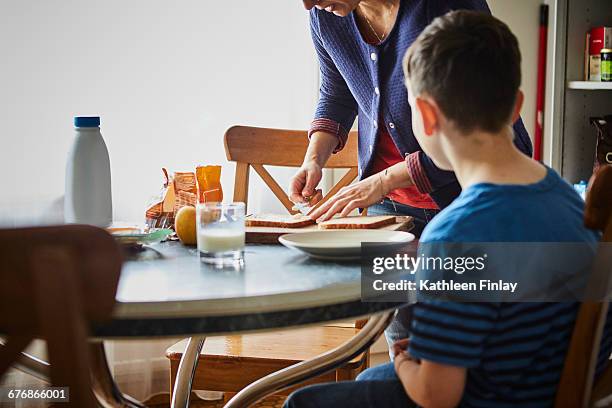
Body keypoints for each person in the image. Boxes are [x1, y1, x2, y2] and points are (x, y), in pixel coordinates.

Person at [284, 10, 612, 407]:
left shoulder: (454, 237)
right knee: (375, 374)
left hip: (482, 398)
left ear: (424, 116)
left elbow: (438, 395)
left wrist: (406, 362)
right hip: (540, 387)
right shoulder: (568, 199)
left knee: (303, 401)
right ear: (515, 106)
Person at [295, 0, 533, 350]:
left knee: (464, 344)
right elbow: (337, 90)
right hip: (385, 212)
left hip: (461, 197)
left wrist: (383, 181)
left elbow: (477, 125)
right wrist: (314, 158)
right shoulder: (325, 16)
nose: (306, 4)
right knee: (403, 340)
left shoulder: (445, 5)